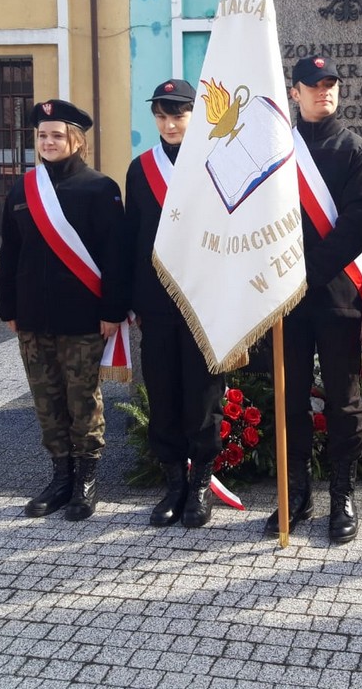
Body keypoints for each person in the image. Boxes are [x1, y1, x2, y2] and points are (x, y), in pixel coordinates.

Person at [0, 99, 127, 521]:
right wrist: (7, 305)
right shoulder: (23, 189)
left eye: (57, 135)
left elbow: (115, 255)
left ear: (77, 140)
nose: (48, 142)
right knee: (46, 401)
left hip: (82, 317)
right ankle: (60, 477)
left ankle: (86, 479)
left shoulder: (100, 188)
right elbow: (9, 253)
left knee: (82, 399)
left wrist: (112, 310)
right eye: (42, 135)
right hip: (32, 316)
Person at [266, 55, 362, 544]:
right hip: (284, 300)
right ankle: (296, 494)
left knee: (343, 401)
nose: (323, 91)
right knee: (289, 398)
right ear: (295, 93)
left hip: (335, 294)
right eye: (313, 85)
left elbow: (358, 224)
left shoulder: (356, 151)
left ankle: (341, 495)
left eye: (330, 83)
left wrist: (305, 275)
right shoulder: (275, 150)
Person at [123, 78, 227, 528]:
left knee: (203, 397)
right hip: (157, 303)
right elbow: (131, 238)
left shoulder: (215, 163)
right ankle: (174, 484)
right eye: (161, 115)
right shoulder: (140, 169)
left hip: (203, 300)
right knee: (163, 394)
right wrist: (132, 300)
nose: (169, 123)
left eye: (178, 114)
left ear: (194, 115)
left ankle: (200, 482)